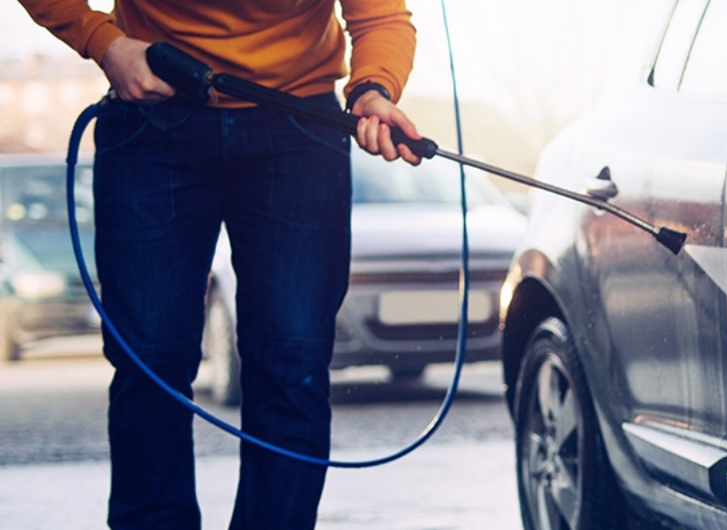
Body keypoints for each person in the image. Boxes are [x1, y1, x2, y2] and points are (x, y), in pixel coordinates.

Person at [17, 1, 424, 528]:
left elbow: (380, 15)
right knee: (149, 364)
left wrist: (373, 88)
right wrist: (106, 43)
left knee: (292, 364)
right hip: (151, 118)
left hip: (299, 126)